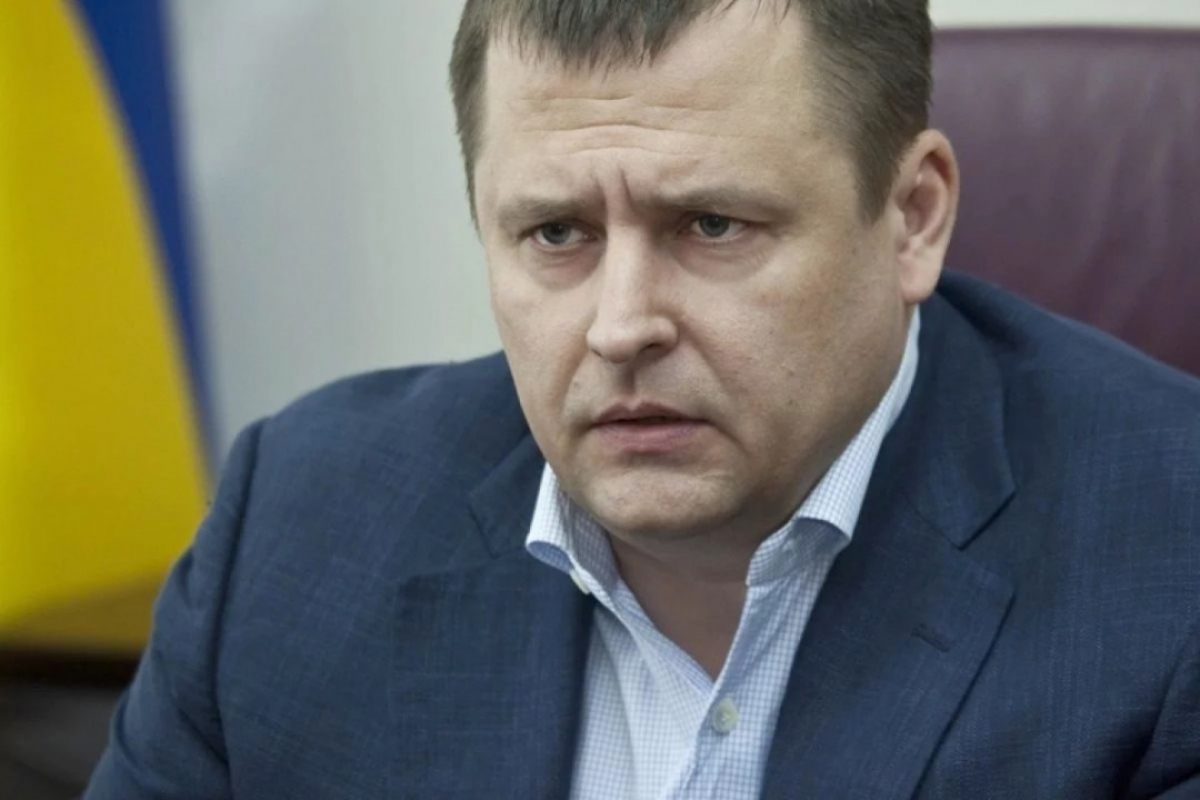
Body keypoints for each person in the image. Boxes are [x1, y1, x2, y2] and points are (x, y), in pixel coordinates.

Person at [85, 1, 1200, 798]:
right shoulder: (296, 531)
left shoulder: (1171, 576)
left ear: (912, 216)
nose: (620, 325)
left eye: (712, 225)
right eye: (555, 233)